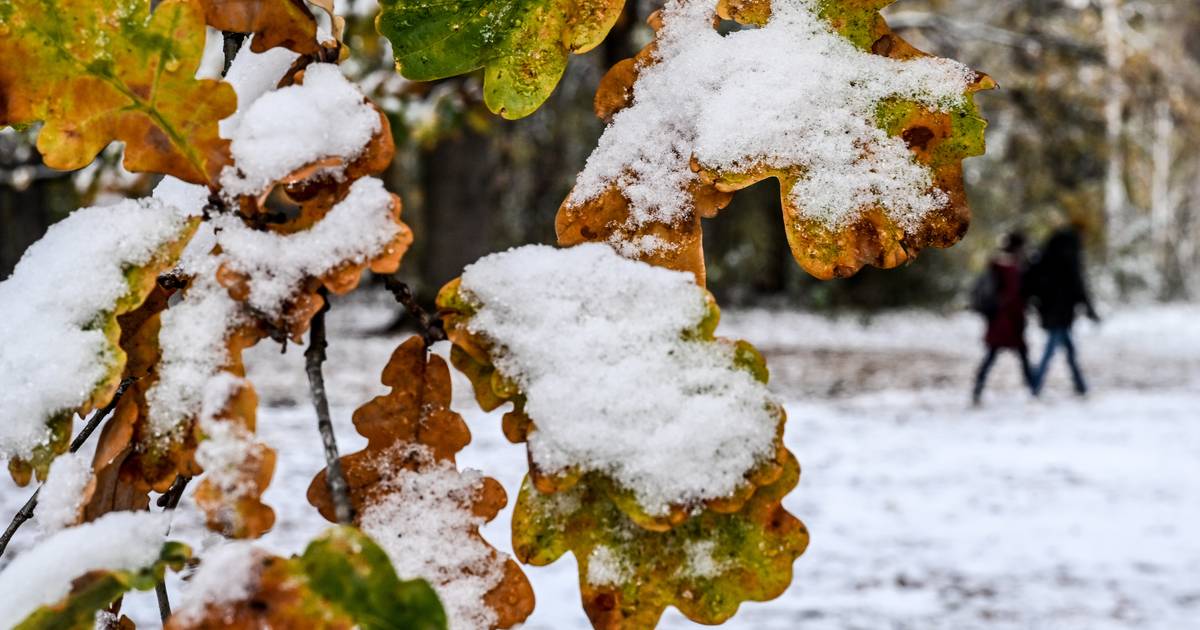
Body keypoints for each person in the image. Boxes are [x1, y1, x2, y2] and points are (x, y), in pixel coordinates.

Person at [1024, 225, 1100, 396]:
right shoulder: (1069, 259)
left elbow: (1031, 284)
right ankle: (1036, 385)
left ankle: (1080, 385)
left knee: (1068, 349)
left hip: (1049, 312)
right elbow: (1079, 287)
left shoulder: (1045, 257)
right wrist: (1090, 310)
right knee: (1051, 350)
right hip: (1062, 313)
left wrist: (1038, 304)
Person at [971, 232, 1035, 405]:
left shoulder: (998, 265)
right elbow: (1014, 295)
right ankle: (1033, 388)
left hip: (1001, 319)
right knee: (1018, 355)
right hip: (1008, 320)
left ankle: (978, 388)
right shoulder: (1013, 268)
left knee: (995, 354)